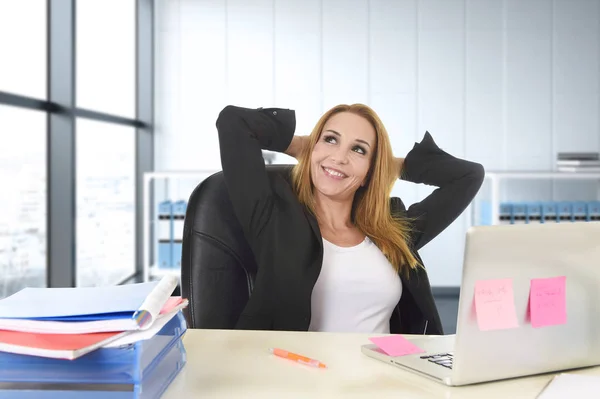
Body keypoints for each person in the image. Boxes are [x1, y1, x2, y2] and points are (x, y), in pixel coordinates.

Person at [216, 104, 484, 335]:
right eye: (330, 139)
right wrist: (304, 148)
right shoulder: (273, 218)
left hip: (385, 382)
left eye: (359, 150)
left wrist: (384, 166)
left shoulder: (394, 228)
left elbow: (468, 176)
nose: (340, 157)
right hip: (300, 380)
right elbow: (234, 121)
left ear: (370, 171)